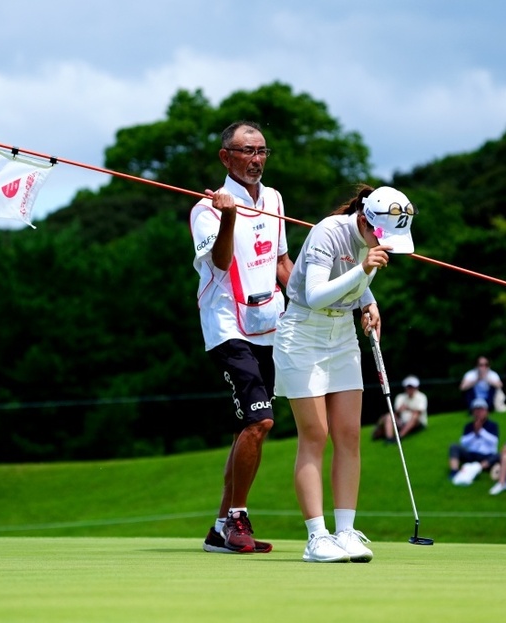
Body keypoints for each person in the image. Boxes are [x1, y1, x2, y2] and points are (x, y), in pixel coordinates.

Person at [273, 184, 417, 563]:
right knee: (315, 435)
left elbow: (355, 284)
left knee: (349, 435)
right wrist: (364, 271)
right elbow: (316, 293)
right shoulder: (329, 231)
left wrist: (369, 302)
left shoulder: (371, 243)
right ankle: (317, 537)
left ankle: (346, 531)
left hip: (342, 338)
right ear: (366, 220)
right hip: (302, 333)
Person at [191, 120, 294, 555]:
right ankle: (236, 517)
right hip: (226, 326)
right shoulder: (206, 209)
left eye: (262, 151)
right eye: (247, 151)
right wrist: (229, 214)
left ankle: (220, 529)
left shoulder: (273, 199)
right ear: (226, 157)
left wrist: (315, 303)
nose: (256, 159)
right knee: (259, 420)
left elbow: (282, 261)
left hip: (269, 324)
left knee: (246, 429)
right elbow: (218, 260)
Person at [448, 398, 500, 486]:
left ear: (486, 411)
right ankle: (454, 471)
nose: (478, 412)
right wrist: (474, 433)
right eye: (476, 410)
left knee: (500, 454)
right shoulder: (468, 426)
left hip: (487, 455)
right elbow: (464, 442)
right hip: (472, 454)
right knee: (453, 446)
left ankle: (479, 468)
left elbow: (493, 441)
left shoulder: (493, 425)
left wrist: (481, 431)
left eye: (481, 410)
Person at [371, 375, 428, 441]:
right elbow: (396, 412)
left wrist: (408, 408)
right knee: (388, 416)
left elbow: (419, 411)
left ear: (416, 387)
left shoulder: (421, 397)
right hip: (402, 422)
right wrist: (400, 409)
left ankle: (400, 436)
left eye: (411, 387)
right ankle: (389, 438)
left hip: (418, 423)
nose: (410, 389)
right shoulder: (400, 397)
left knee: (415, 416)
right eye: (408, 387)